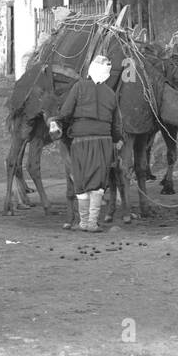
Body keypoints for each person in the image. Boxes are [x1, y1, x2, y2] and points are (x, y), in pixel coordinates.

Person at [54, 54, 122, 233]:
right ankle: (92, 222)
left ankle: (84, 222)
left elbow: (66, 112)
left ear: (91, 70)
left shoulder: (78, 87)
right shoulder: (111, 94)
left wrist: (57, 121)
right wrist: (116, 140)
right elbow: (116, 126)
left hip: (81, 142)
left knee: (81, 180)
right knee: (98, 183)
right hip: (104, 142)